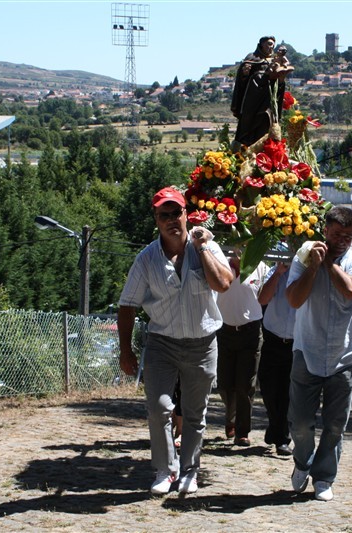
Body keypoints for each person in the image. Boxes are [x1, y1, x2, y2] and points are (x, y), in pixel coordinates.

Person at [117, 186, 234, 496]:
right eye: (163, 215)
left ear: (186, 214)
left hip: (202, 344)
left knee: (195, 412)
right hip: (161, 344)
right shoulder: (146, 259)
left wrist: (203, 248)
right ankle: (165, 470)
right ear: (156, 220)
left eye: (176, 213)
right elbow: (127, 304)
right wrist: (125, 350)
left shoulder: (206, 247)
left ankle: (189, 472)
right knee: (159, 408)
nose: (171, 220)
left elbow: (223, 283)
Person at [285, 206, 352, 502]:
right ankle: (302, 461)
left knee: (335, 425)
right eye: (336, 235)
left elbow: (350, 290)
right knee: (299, 422)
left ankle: (323, 477)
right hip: (307, 351)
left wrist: (328, 265)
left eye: (347, 236)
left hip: (344, 356)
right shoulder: (303, 259)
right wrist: (313, 266)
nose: (341, 241)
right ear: (325, 231)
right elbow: (294, 300)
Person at [216, 255, 267, 447]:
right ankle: (231, 418)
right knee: (224, 383)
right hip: (223, 331)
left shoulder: (260, 266)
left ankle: (242, 431)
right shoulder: (219, 262)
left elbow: (263, 295)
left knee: (245, 385)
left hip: (250, 332)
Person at [257, 261, 295, 456]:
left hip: (296, 344)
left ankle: (282, 440)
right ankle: (274, 427)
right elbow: (262, 299)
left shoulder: (308, 270)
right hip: (273, 339)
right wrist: (279, 274)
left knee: (287, 395)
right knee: (269, 390)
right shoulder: (277, 269)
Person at [231, 36, 287, 149]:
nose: (271, 47)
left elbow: (279, 82)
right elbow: (243, 79)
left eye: (273, 45)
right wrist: (245, 73)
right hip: (252, 99)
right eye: (269, 44)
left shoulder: (275, 60)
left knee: (266, 122)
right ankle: (245, 148)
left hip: (268, 100)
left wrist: (280, 80)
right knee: (248, 125)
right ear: (261, 44)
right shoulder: (252, 58)